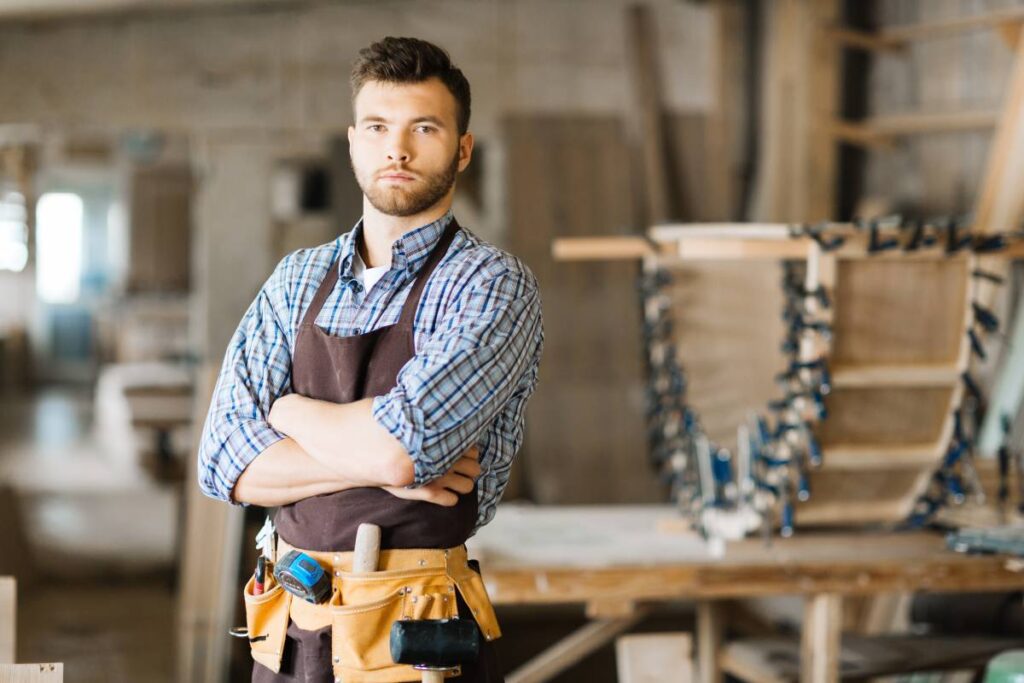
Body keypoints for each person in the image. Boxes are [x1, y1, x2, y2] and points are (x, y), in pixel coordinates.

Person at [197, 36, 543, 683]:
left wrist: (287, 409)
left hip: (416, 641)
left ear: (462, 148)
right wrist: (382, 467)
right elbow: (222, 460)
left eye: (425, 128)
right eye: (380, 127)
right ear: (354, 141)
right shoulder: (297, 279)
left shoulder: (491, 285)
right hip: (292, 632)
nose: (399, 149)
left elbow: (401, 450)